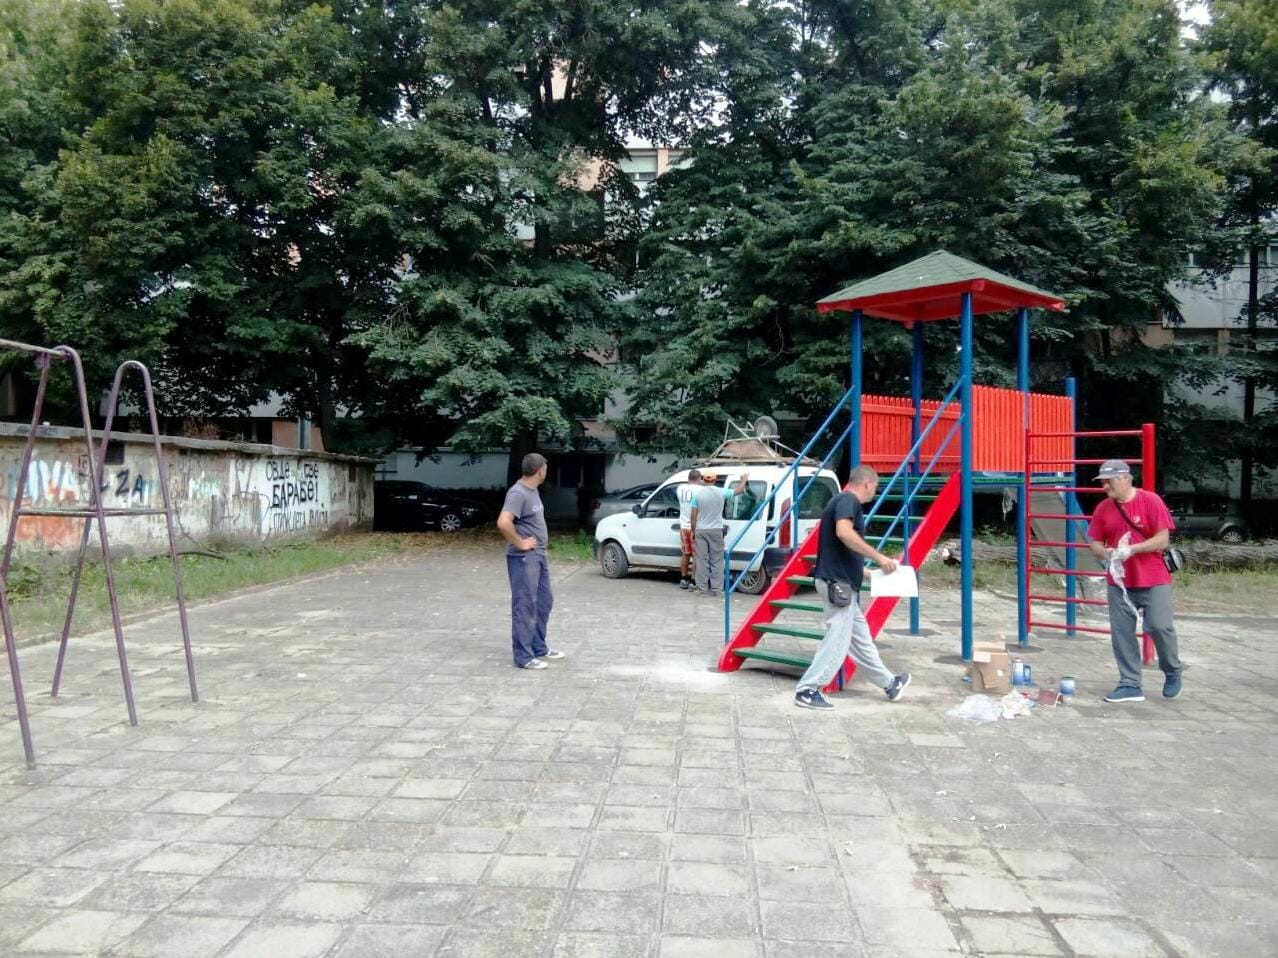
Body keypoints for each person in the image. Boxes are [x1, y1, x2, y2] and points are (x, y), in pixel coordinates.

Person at [795, 465, 910, 710]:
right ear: (866, 483)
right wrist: (879, 557)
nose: (874, 493)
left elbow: (840, 548)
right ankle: (808, 689)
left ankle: (890, 683)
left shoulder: (840, 502)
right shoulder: (849, 500)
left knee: (860, 640)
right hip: (838, 585)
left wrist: (868, 573)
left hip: (841, 582)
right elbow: (844, 533)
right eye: (875, 488)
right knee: (837, 638)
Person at [1086, 458, 1181, 703]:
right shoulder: (1103, 508)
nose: (1105, 487)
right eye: (1103, 483)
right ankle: (1130, 683)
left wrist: (1133, 549)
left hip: (1153, 577)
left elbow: (1163, 540)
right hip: (1119, 582)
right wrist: (1106, 553)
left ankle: (1172, 670)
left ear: (1126, 479)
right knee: (1122, 633)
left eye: (1109, 482)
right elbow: (1094, 541)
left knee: (1160, 626)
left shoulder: (1150, 501)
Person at [496, 453, 566, 670]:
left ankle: (538, 647)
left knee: (544, 601)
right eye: (545, 468)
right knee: (525, 605)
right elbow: (503, 522)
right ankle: (524, 657)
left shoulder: (532, 490)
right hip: (524, 558)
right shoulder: (518, 493)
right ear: (540, 471)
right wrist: (520, 543)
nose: (546, 471)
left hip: (538, 555)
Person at [689, 470, 749, 597]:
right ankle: (716, 589)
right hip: (716, 530)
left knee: (701, 560)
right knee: (716, 560)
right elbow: (738, 491)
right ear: (715, 480)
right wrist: (743, 479)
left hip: (701, 530)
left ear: (704, 480)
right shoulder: (721, 492)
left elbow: (693, 515)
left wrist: (693, 531)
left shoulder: (698, 495)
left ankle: (702, 589)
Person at [676, 469, 704, 590]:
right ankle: (693, 581)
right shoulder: (701, 490)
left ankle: (683, 579)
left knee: (685, 553)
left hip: (684, 527)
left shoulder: (680, 488)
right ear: (699, 479)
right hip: (695, 527)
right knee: (697, 556)